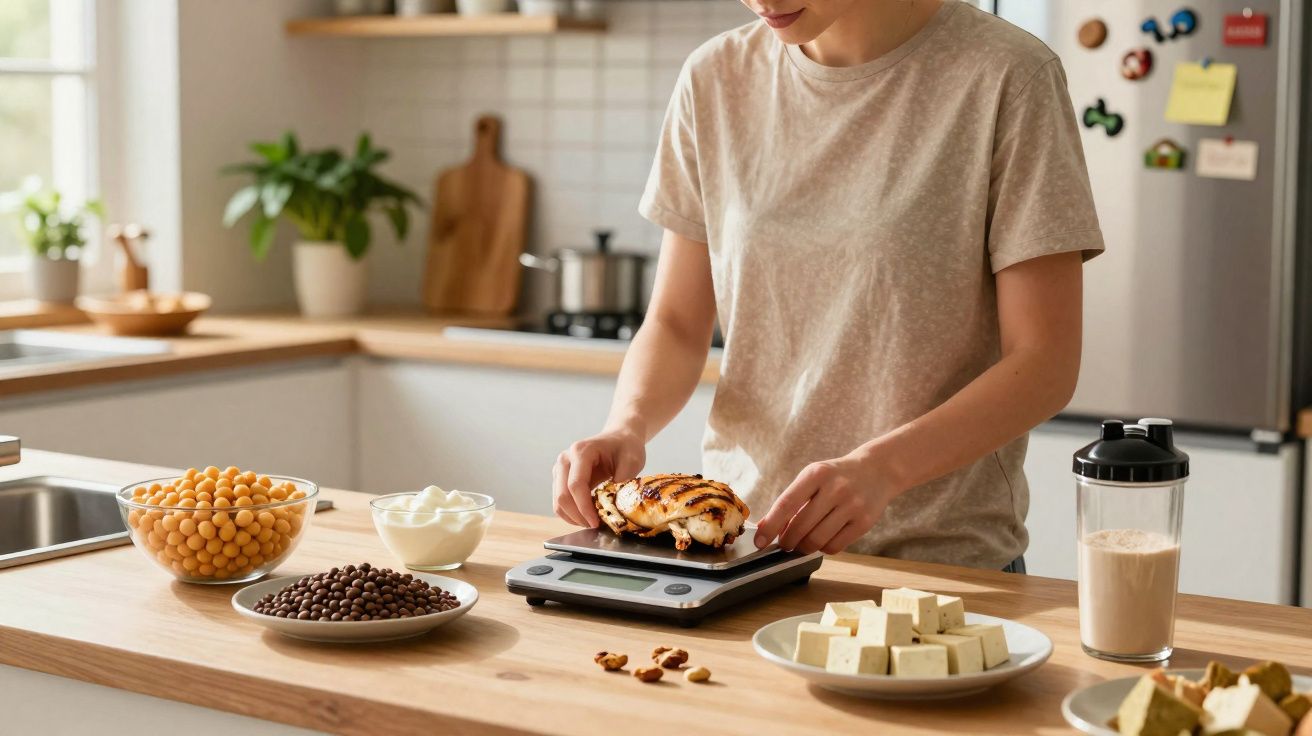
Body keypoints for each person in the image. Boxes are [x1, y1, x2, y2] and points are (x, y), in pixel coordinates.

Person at [551, 0, 1104, 572]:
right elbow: (676, 321)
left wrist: (884, 468)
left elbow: (1044, 363)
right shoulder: (715, 77)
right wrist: (627, 425)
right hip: (742, 553)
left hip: (939, 564)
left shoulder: (1007, 75)